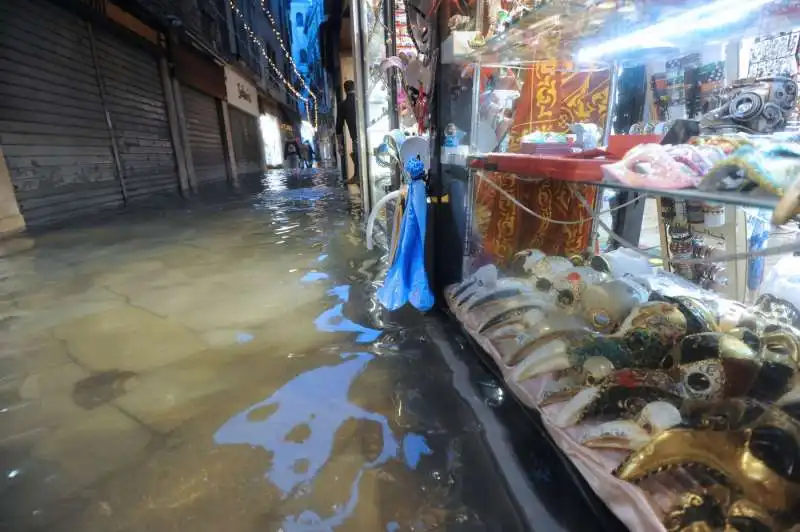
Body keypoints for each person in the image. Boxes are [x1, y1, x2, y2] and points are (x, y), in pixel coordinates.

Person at [336, 80, 358, 185]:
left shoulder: (343, 105)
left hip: (355, 137)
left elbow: (339, 127)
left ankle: (357, 176)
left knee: (357, 155)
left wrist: (339, 145)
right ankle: (357, 176)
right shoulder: (360, 100)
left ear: (345, 90)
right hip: (368, 135)